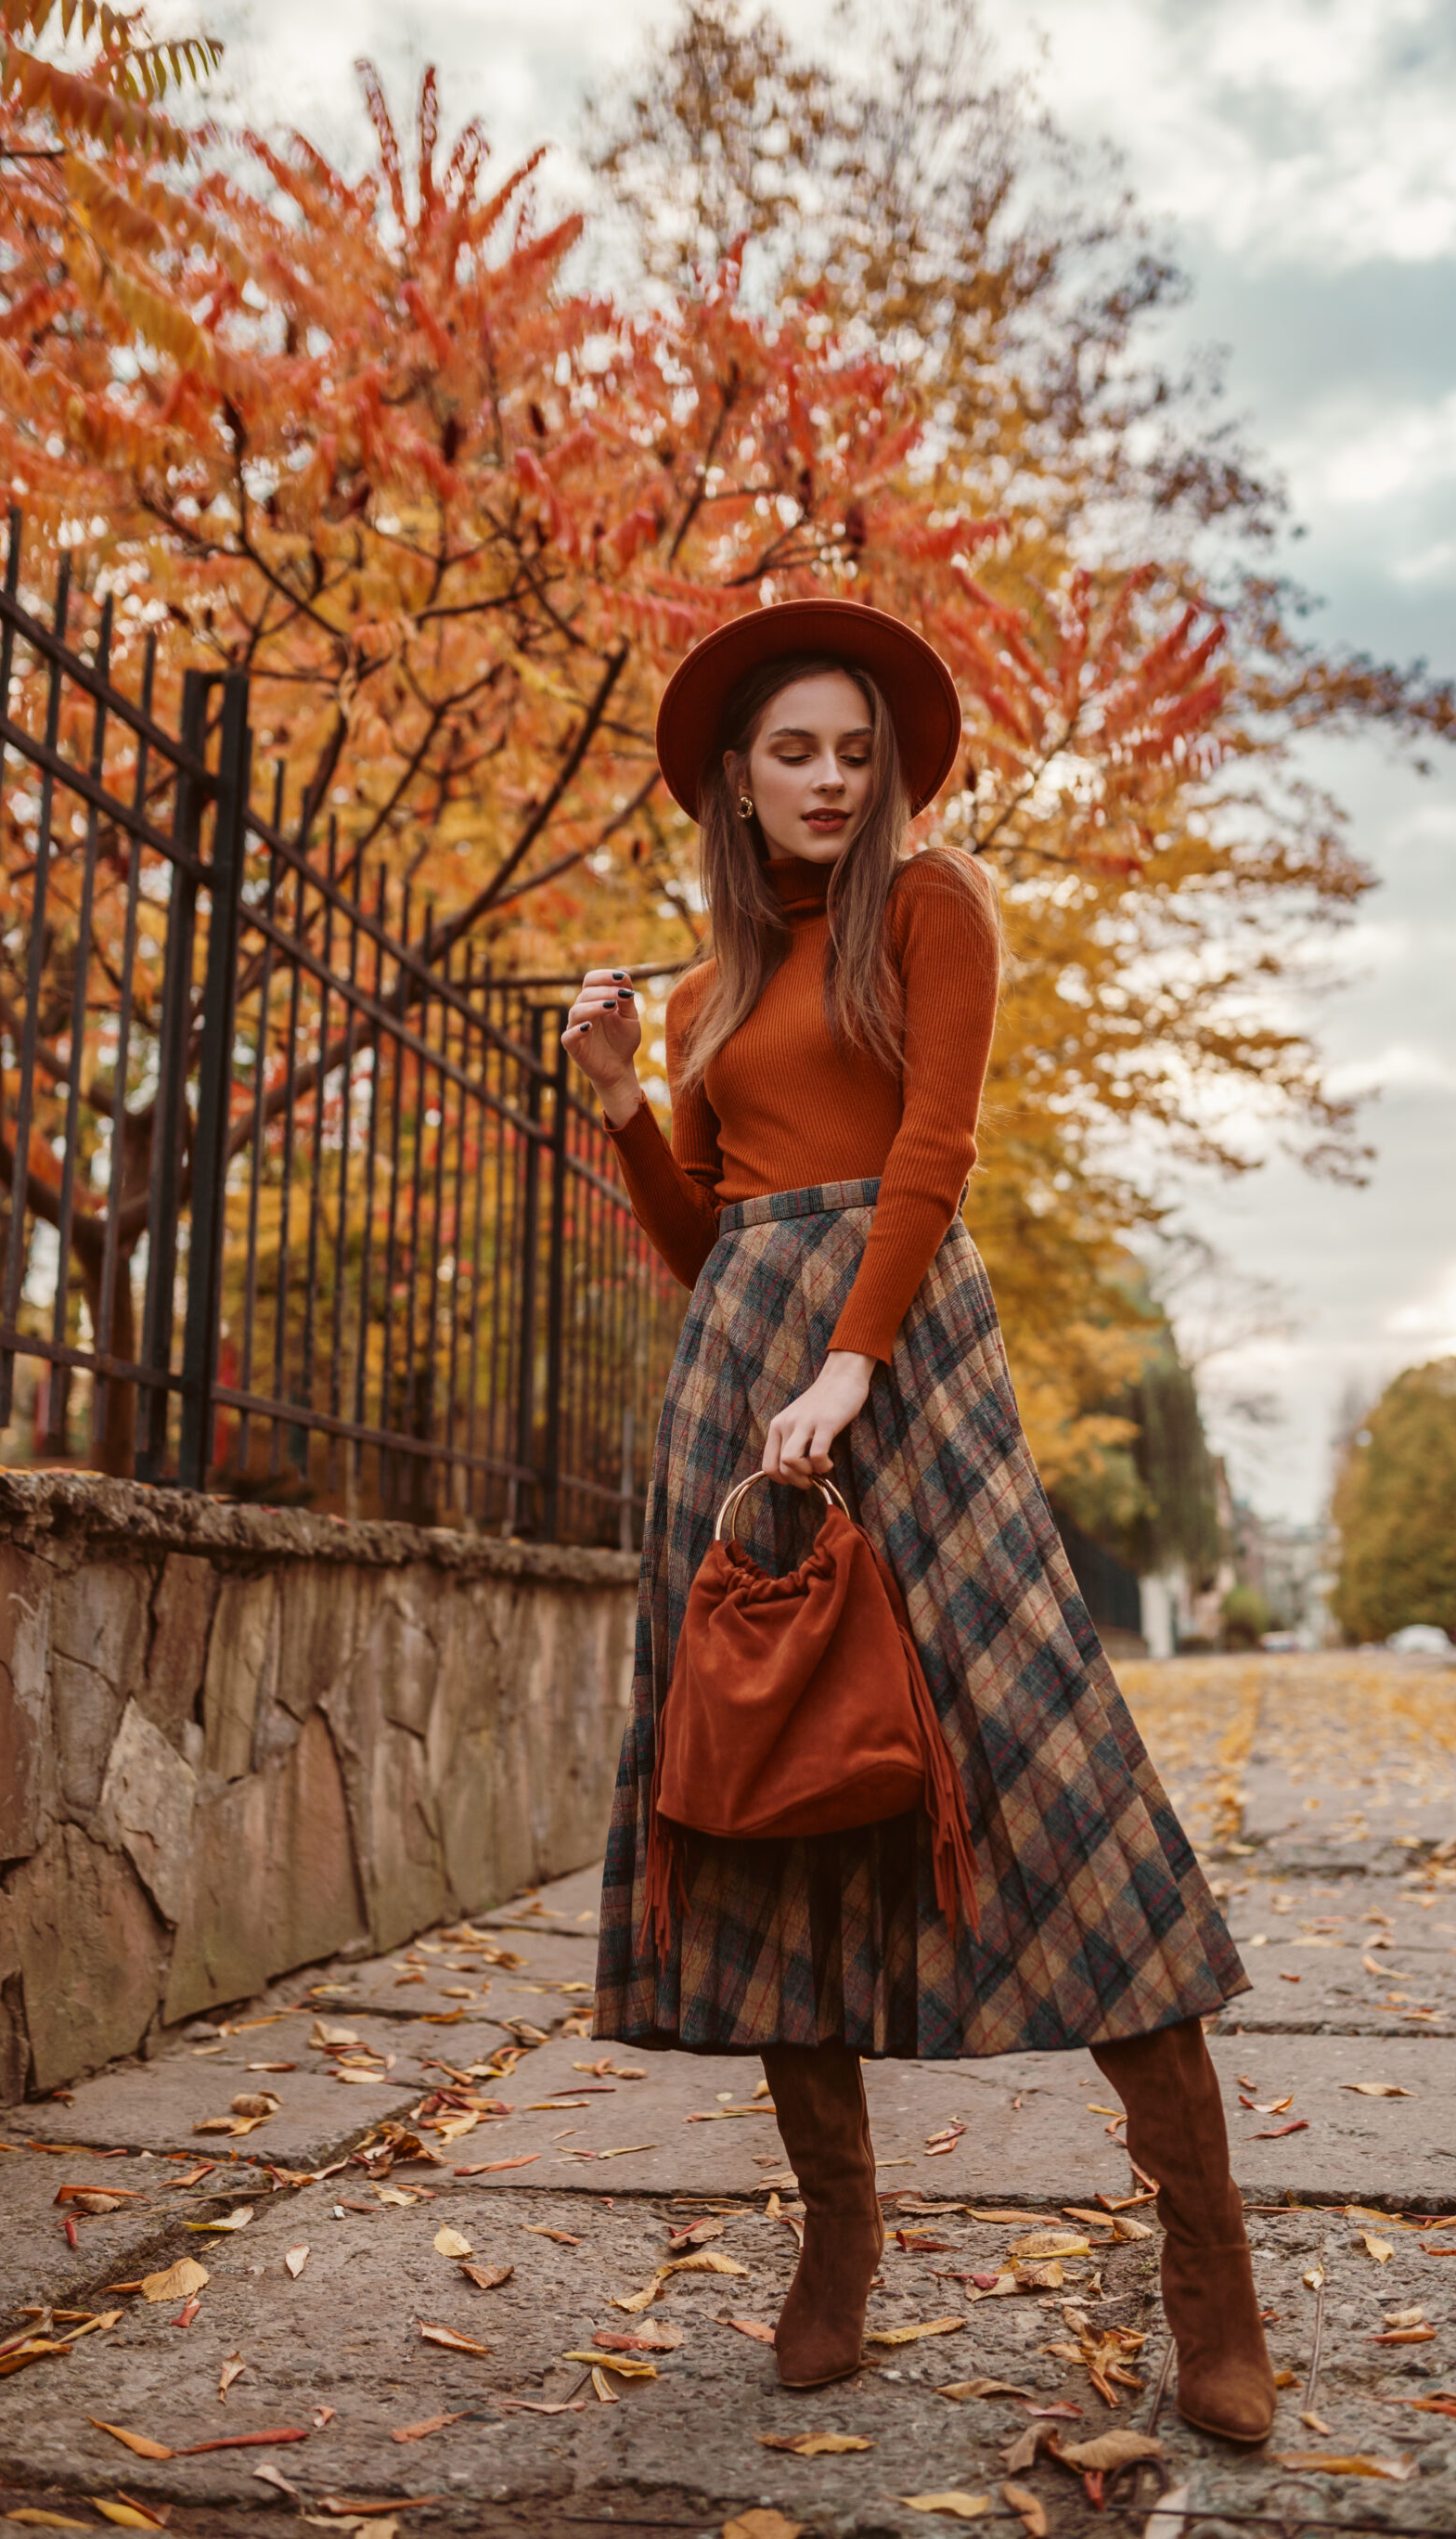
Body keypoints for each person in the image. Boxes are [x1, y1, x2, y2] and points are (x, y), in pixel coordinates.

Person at [564, 598, 1273, 2443]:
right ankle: (838, 2243)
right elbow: (709, 1247)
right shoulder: (718, 980)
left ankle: (1208, 2272)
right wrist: (624, 1105)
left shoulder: (932, 908)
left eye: (851, 754)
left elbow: (933, 1153)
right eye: (791, 750)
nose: (823, 780)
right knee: (767, 1788)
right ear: (732, 774)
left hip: (909, 1379)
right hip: (741, 1387)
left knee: (1052, 1768)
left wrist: (861, 1363)